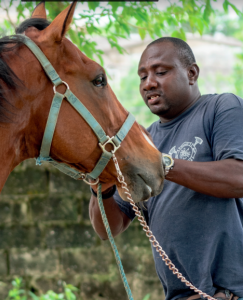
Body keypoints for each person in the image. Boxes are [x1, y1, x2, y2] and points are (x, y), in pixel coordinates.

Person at [89, 37, 243, 300]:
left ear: (191, 73)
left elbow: (237, 178)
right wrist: (100, 186)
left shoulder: (220, 108)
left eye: (161, 72)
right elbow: (108, 229)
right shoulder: (145, 141)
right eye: (142, 76)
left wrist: (161, 164)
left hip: (229, 293)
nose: (149, 83)